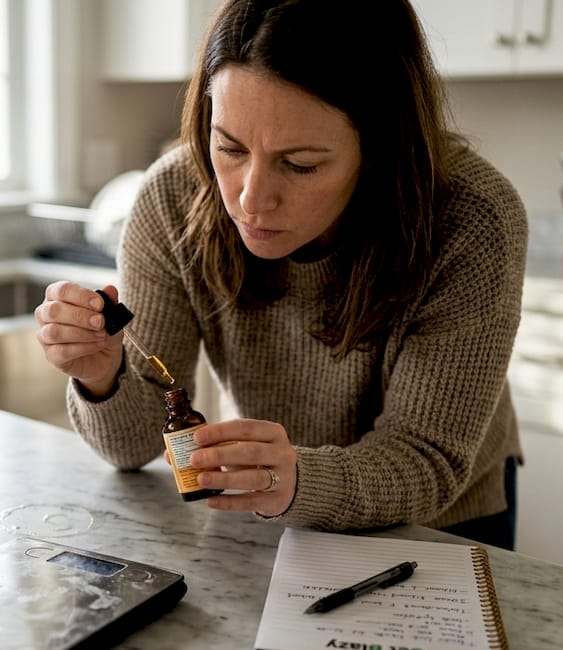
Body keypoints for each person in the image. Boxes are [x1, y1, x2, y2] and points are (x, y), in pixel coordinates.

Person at [33, 0, 526, 549]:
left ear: (381, 149)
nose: (250, 199)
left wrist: (295, 480)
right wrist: (103, 376)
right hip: (283, 504)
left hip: (441, 524)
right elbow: (134, 447)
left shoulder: (473, 218)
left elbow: (424, 460)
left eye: (301, 164)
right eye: (230, 148)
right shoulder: (172, 197)